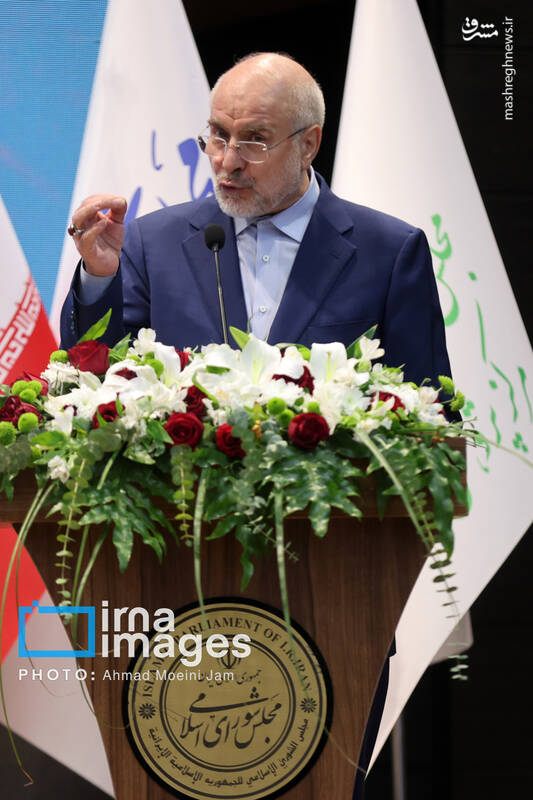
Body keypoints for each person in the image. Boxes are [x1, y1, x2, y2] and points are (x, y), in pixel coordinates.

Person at [60, 53, 455, 797]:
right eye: (215, 135)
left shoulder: (385, 250)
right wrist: (101, 278)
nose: (226, 160)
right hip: (174, 592)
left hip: (335, 592)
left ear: (309, 144)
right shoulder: (152, 241)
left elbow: (428, 417)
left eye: (253, 140)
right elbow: (98, 382)